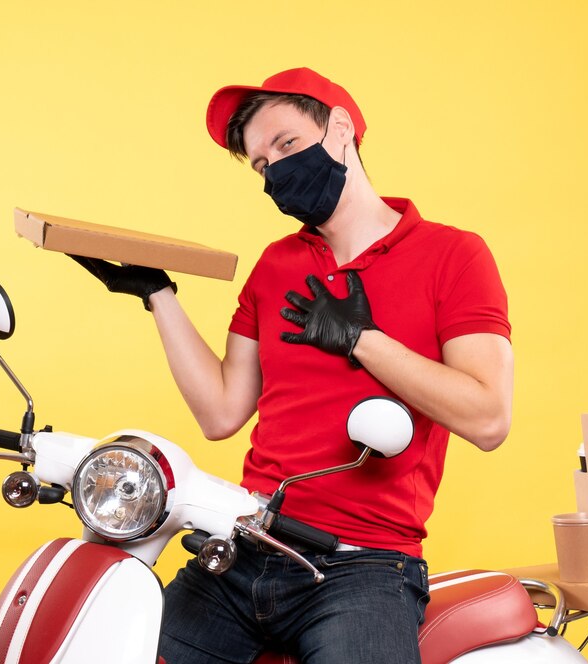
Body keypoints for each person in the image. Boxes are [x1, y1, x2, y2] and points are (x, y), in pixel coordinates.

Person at [71, 67, 513, 664]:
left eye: (287, 146)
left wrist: (363, 339)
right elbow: (222, 411)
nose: (275, 170)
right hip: (244, 542)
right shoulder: (277, 265)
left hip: (367, 567)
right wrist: (158, 295)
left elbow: (489, 418)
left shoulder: (452, 255)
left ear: (340, 128)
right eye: (260, 164)